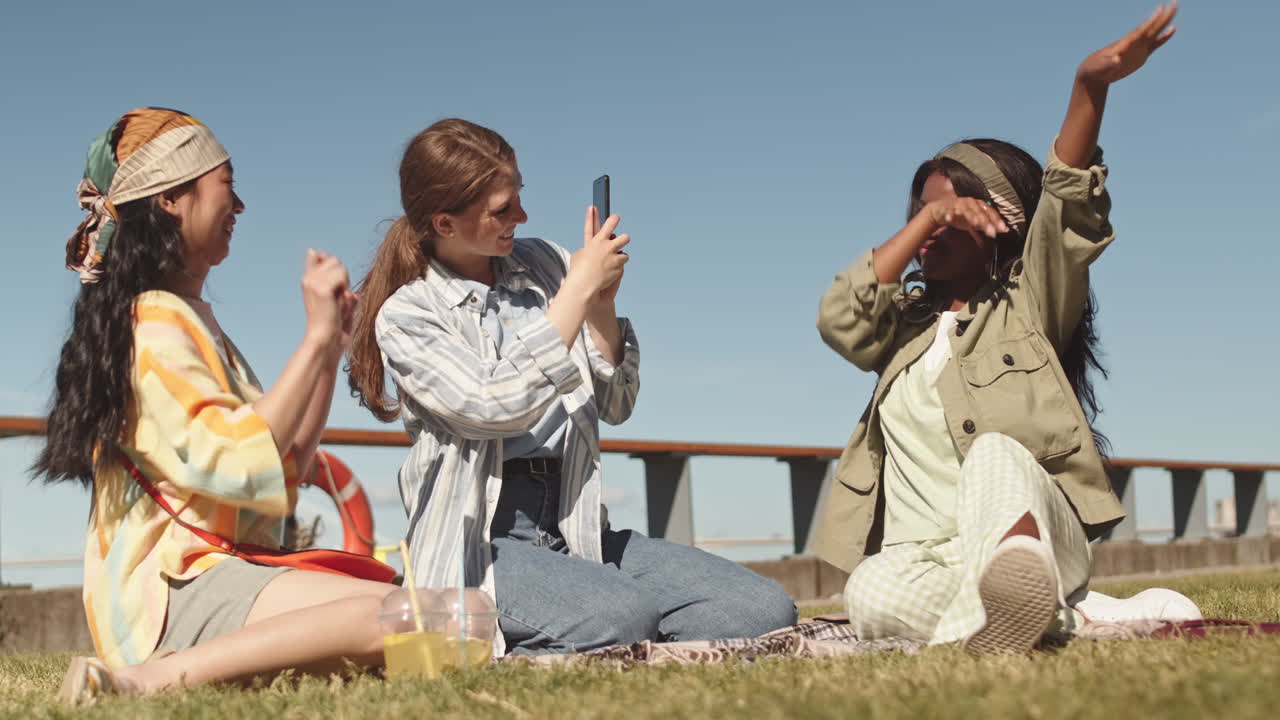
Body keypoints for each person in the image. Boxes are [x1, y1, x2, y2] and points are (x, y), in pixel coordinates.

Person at [810, 5, 1198, 653]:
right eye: (919, 213)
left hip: (1033, 535)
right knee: (868, 593)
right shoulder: (901, 329)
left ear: (1002, 221)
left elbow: (1066, 206)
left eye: (946, 212)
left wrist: (1089, 87)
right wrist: (924, 222)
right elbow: (839, 316)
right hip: (925, 557)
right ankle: (1072, 619)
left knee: (995, 450)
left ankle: (1022, 589)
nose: (930, 226)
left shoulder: (1028, 303)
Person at [347, 118, 797, 656]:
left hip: (575, 519)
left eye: (520, 197)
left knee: (761, 611)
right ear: (444, 223)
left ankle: (587, 630)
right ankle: (486, 643)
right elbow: (493, 406)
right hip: (481, 539)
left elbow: (615, 404)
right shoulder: (409, 314)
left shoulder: (547, 265)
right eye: (502, 209)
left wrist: (602, 311)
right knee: (621, 617)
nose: (523, 217)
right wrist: (577, 293)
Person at [33, 108, 399, 703]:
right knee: (399, 616)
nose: (239, 207)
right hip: (176, 589)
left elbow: (284, 472)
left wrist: (329, 349)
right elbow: (238, 464)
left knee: (422, 614)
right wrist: (311, 340)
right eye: (227, 186)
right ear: (173, 198)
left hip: (221, 572)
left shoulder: (187, 323)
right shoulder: (153, 321)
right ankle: (141, 681)